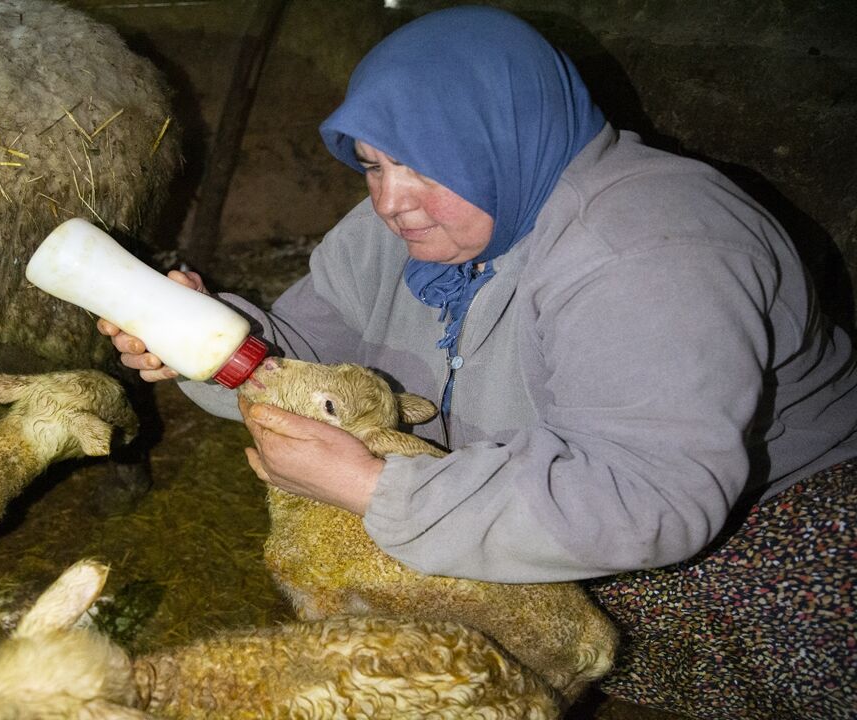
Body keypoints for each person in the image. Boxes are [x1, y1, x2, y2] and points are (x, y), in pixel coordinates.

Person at [98, 6, 857, 719]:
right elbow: (313, 365)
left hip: (758, 520)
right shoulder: (400, 226)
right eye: (373, 164)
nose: (393, 202)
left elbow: (648, 500)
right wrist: (219, 347)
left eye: (429, 166)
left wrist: (375, 487)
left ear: (507, 138)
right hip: (523, 488)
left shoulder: (653, 248)